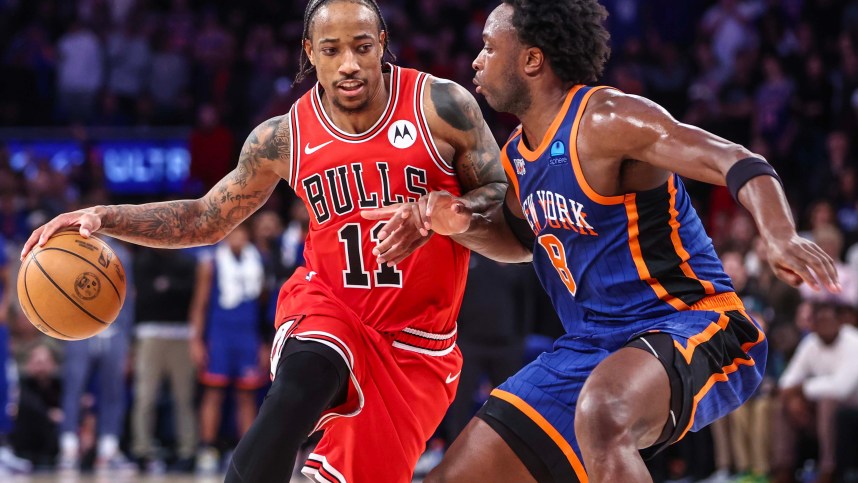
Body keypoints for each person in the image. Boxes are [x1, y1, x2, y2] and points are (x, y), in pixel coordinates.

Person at [21, 0, 522, 481]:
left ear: (383, 44)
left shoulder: (440, 105)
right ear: (309, 51)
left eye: (362, 47)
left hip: (418, 343)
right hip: (330, 306)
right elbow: (204, 218)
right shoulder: (284, 138)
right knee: (302, 382)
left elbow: (500, 200)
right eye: (331, 49)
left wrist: (446, 213)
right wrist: (103, 216)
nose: (349, 64)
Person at [364, 1, 840, 481]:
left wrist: (779, 235)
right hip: (591, 347)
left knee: (603, 412)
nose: (475, 61)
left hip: (693, 322)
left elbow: (732, 158)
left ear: (531, 60)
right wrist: (461, 225)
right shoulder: (518, 157)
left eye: (489, 47)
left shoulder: (606, 120)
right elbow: (519, 242)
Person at [189, 223, 266, 474]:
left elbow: (264, 307)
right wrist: (197, 340)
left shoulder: (259, 261)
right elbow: (199, 305)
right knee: (214, 393)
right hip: (219, 335)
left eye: (242, 233)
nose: (238, 237)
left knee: (247, 396)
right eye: (233, 232)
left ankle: (247, 451)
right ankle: (207, 449)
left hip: (247, 335)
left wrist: (264, 342)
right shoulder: (210, 262)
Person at [772, 301, 858, 483]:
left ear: (839, 322)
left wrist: (801, 389)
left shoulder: (852, 341)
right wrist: (793, 398)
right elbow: (788, 380)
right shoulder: (810, 343)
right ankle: (784, 468)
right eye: (820, 321)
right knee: (784, 404)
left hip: (850, 403)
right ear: (814, 325)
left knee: (828, 402)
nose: (824, 325)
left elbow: (841, 387)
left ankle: (829, 469)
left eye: (829, 320)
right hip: (820, 402)